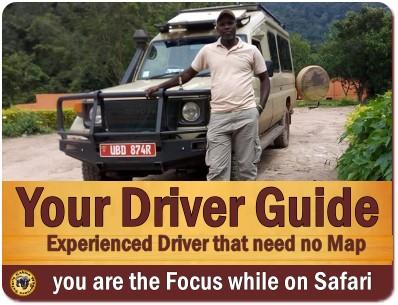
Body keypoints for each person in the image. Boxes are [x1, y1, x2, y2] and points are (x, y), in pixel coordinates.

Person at [145, 9, 270, 181]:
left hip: (246, 115)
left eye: (230, 23)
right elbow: (187, 75)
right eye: (222, 24)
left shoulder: (251, 51)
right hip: (219, 117)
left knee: (247, 169)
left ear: (235, 26)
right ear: (217, 27)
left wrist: (259, 108)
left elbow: (265, 79)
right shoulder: (208, 51)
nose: (226, 27)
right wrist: (159, 86)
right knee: (217, 171)